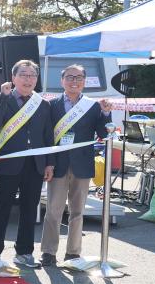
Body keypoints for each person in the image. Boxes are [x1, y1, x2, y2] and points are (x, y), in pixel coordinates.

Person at [0, 59, 54, 268]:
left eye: (32, 75)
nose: (28, 79)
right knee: (1, 208)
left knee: (29, 210)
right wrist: (3, 97)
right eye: (23, 75)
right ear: (13, 78)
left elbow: (47, 135)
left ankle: (24, 252)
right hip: (7, 163)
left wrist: (49, 163)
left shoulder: (42, 103)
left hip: (35, 165)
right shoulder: (3, 99)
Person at [41, 64, 113, 265]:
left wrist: (106, 114)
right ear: (62, 80)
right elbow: (48, 136)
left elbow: (102, 133)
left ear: (84, 81)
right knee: (53, 210)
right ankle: (48, 251)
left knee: (78, 211)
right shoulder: (51, 105)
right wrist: (49, 163)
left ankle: (73, 252)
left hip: (82, 164)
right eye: (70, 77)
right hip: (58, 164)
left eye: (79, 77)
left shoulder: (93, 106)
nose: (74, 81)